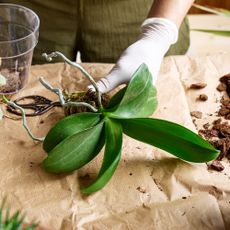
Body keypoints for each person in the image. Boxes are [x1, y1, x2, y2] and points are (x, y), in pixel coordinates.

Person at [2, 0, 194, 93]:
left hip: (140, 9)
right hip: (26, 8)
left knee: (134, 96)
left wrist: (157, 34)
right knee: (12, 87)